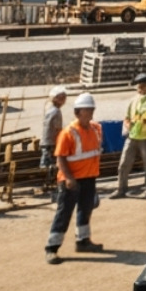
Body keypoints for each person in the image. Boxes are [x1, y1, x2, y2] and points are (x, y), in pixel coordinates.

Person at [46, 92, 104, 264]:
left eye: (92, 110)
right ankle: (52, 248)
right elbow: (61, 158)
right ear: (78, 112)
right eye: (87, 110)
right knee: (64, 213)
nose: (91, 113)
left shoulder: (95, 129)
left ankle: (83, 241)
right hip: (70, 180)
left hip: (89, 178)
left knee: (85, 210)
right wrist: (69, 179)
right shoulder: (68, 133)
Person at [112, 74, 146, 199]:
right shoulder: (133, 100)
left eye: (142, 86)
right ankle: (121, 188)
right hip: (133, 136)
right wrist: (128, 126)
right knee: (124, 163)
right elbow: (127, 117)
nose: (140, 89)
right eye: (138, 86)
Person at [40, 85, 67, 171]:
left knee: (45, 162)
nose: (64, 101)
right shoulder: (56, 112)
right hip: (51, 142)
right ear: (56, 99)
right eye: (62, 98)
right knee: (49, 164)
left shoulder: (50, 109)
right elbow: (58, 129)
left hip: (45, 141)